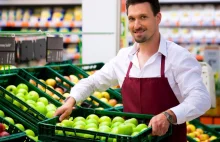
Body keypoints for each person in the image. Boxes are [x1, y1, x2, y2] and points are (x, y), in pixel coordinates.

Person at [55, 0, 211, 141]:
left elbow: (201, 98)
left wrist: (168, 116)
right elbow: (93, 82)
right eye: (131, 19)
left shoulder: (178, 57)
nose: (136, 25)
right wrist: (71, 100)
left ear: (158, 18)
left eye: (143, 17)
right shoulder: (124, 57)